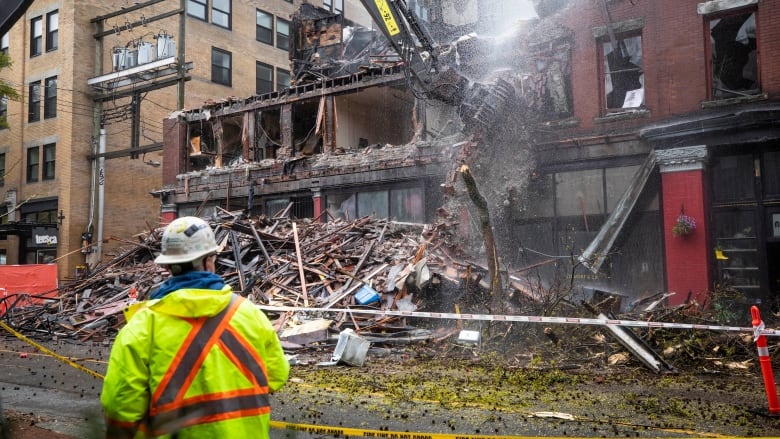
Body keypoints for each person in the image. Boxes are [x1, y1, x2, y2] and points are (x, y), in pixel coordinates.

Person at [100, 216, 289, 438]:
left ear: (168, 266)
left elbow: (119, 408)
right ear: (210, 260)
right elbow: (277, 375)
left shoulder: (142, 327)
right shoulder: (250, 315)